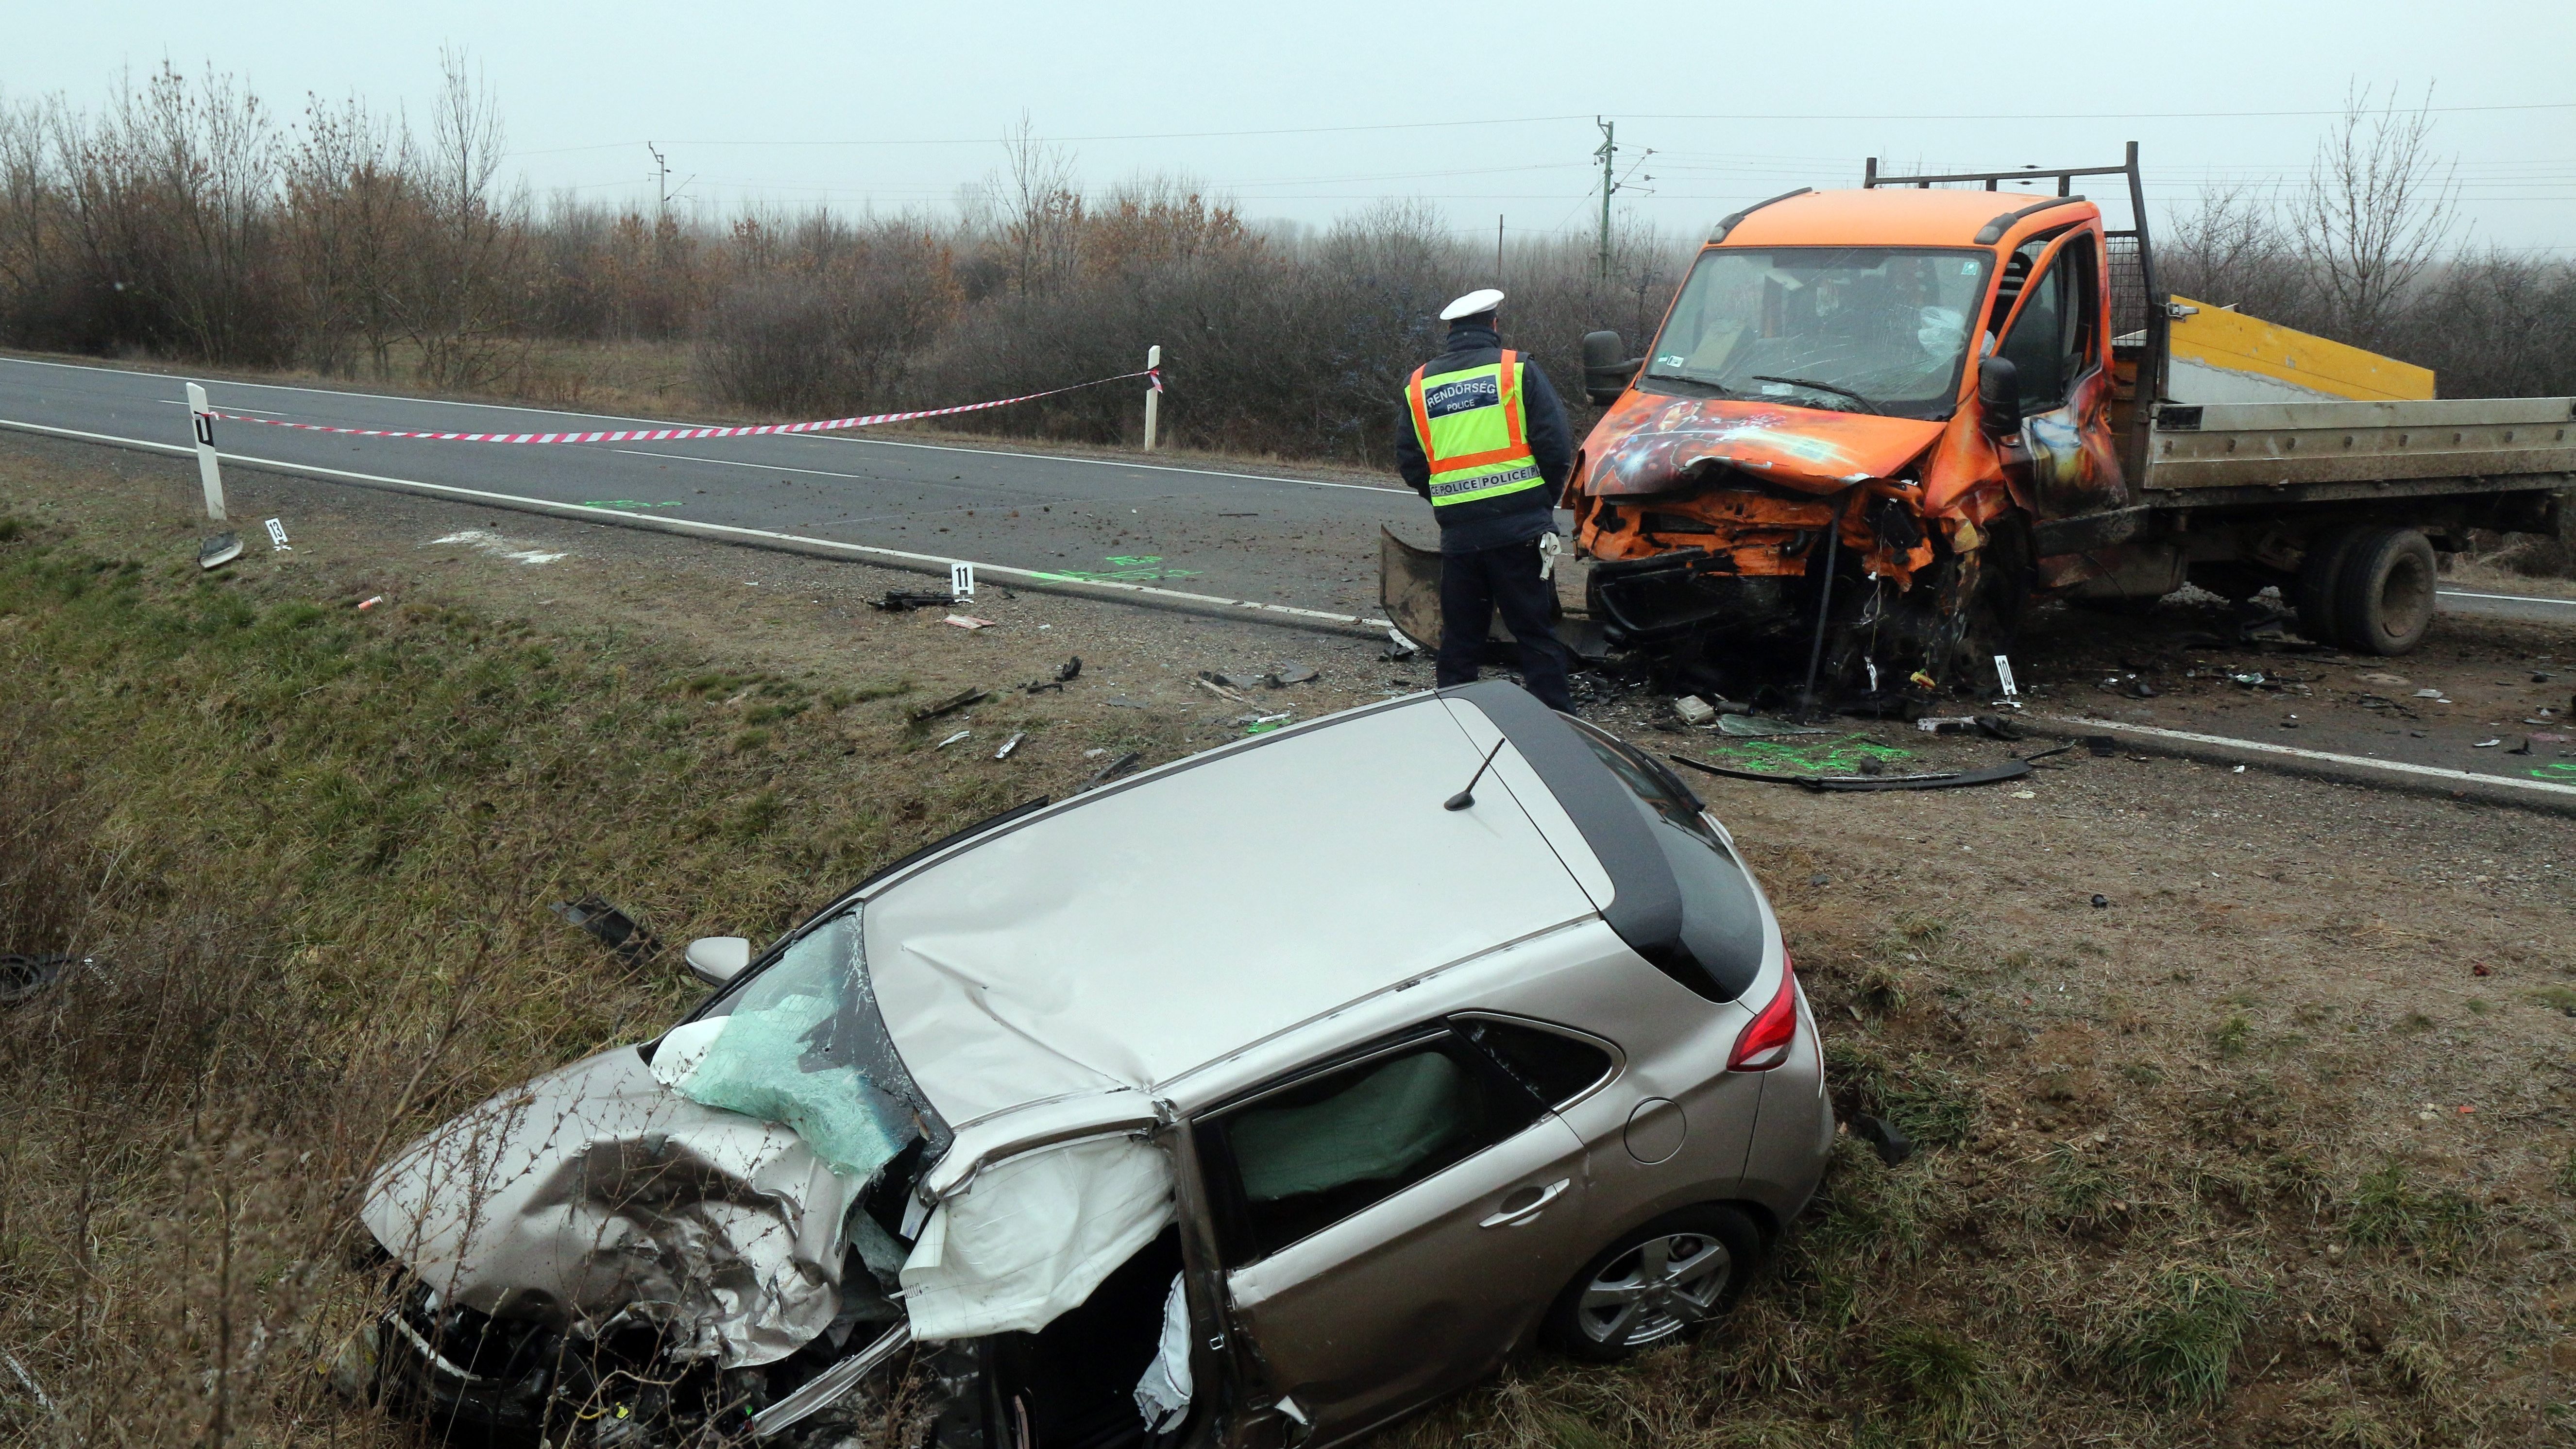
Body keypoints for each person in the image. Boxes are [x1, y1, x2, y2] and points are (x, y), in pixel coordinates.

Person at [1394, 288, 1576, 713]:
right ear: (1493, 326)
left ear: (1452, 333)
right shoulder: (1516, 369)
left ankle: (1457, 722)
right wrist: (1537, 504)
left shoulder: (1419, 384)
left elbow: (1411, 461)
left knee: (1460, 640)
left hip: (1460, 536)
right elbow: (1555, 446)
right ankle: (1560, 725)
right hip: (1520, 532)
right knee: (1536, 635)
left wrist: (1448, 498)